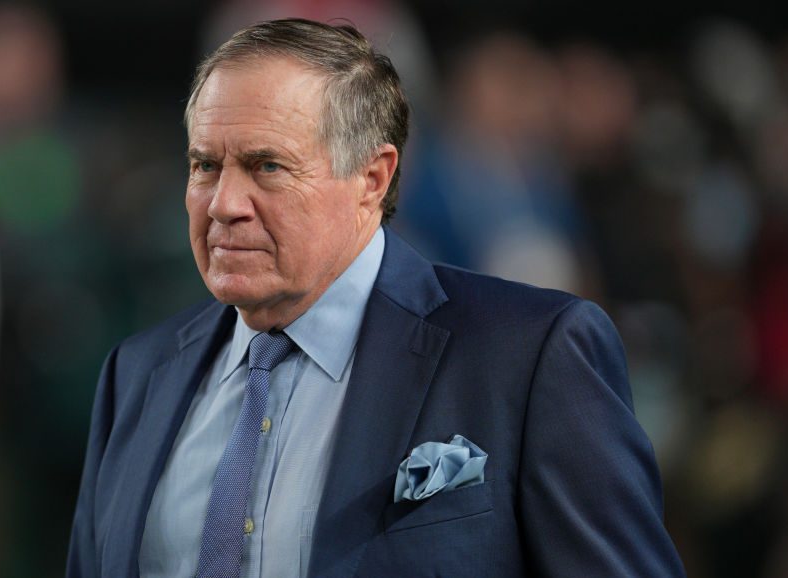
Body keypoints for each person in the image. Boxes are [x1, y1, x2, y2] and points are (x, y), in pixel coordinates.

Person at [67, 18, 685, 577]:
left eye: (267, 167)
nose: (225, 204)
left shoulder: (528, 355)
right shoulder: (136, 375)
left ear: (373, 177)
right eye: (205, 166)